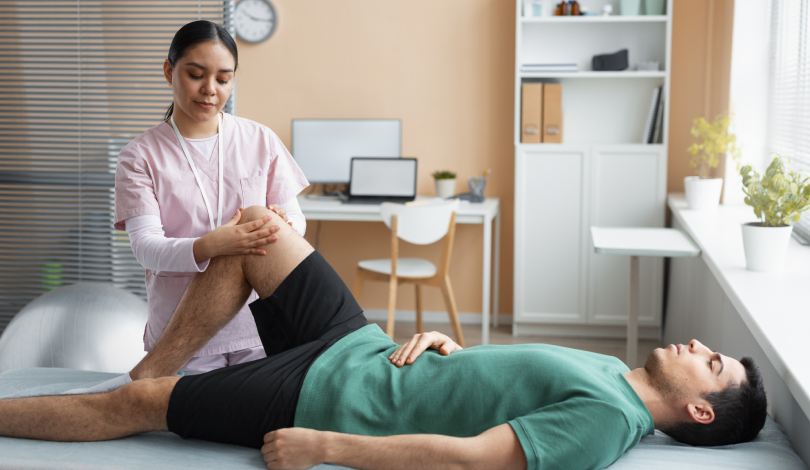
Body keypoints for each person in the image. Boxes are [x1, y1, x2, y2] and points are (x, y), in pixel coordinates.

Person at [4, 206, 768, 470]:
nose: (701, 347)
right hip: (362, 346)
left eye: (713, 365)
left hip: (328, 394)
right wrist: (444, 340)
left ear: (701, 411)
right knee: (258, 229)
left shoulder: (608, 423)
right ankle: (144, 368)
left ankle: (126, 392)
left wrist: (323, 446)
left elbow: (473, 459)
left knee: (130, 410)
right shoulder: (610, 372)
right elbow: (494, 385)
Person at [112, 20, 309, 380]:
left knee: (250, 425)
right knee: (186, 431)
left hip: (256, 324)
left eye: (223, 78)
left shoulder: (259, 140)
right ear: (170, 71)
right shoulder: (139, 156)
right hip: (184, 331)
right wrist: (208, 246)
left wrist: (281, 224)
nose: (210, 90)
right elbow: (145, 246)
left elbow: (297, 221)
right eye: (196, 74)